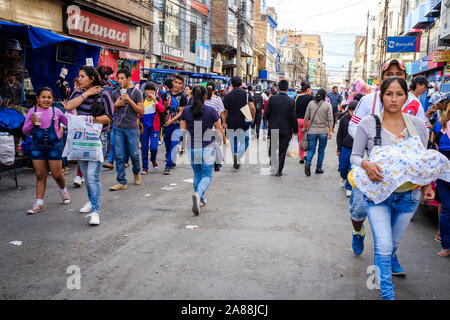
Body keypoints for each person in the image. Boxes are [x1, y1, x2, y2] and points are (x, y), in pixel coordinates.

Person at [351, 77, 435, 300]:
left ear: (406, 97)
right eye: (389, 94)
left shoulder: (418, 126)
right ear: (382, 96)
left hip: (407, 198)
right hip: (378, 196)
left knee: (393, 245)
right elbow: (355, 156)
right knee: (384, 246)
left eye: (399, 94)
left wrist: (426, 185)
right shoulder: (368, 124)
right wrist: (366, 163)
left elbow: (422, 161)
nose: (394, 99)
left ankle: (385, 267)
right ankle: (387, 294)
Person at [347, 58, 429, 256]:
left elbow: (423, 134)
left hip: (400, 175)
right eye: (389, 74)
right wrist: (370, 147)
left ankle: (389, 256)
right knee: (358, 210)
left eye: (398, 74)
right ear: (382, 79)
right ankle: (358, 231)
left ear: (405, 79)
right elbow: (353, 126)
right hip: (369, 167)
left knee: (392, 221)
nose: (393, 77)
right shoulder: (368, 101)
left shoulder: (414, 104)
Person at [65, 65, 114, 226]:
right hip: (80, 140)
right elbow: (69, 107)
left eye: (82, 76)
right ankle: (91, 200)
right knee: (86, 176)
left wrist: (91, 120)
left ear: (92, 78)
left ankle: (95, 210)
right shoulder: (78, 93)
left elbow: (109, 117)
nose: (79, 79)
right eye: (78, 76)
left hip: (98, 138)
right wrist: (86, 94)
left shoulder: (104, 93)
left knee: (92, 176)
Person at [22, 87, 71, 214]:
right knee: (40, 175)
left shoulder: (57, 111)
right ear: (38, 98)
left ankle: (63, 190)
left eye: (49, 97)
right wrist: (31, 123)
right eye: (43, 97)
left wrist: (64, 121)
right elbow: (24, 131)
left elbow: (69, 123)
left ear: (52, 99)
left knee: (56, 174)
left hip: (54, 146)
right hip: (37, 147)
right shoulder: (32, 111)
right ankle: (39, 204)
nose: (46, 100)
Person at [180, 86, 227, 215]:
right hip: (207, 147)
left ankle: (201, 199)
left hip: (192, 147)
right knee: (206, 176)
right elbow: (219, 129)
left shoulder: (186, 110)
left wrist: (182, 146)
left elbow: (183, 131)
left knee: (197, 174)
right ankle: (199, 194)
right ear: (205, 96)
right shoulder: (211, 111)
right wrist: (224, 140)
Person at [109, 68, 145, 191]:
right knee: (119, 156)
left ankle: (137, 172)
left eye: (122, 78)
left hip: (132, 127)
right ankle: (121, 181)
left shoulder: (137, 92)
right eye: (118, 78)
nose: (120, 81)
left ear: (129, 79)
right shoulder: (115, 92)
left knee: (134, 155)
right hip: (118, 127)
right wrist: (116, 105)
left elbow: (141, 111)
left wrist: (129, 100)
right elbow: (110, 112)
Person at [264, 79, 299, 177]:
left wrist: (270, 121)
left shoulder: (272, 99)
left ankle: (273, 164)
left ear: (278, 88)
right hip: (286, 129)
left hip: (274, 128)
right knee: (283, 150)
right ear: (287, 89)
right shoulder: (290, 101)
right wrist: (295, 130)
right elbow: (293, 117)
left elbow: (266, 114)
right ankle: (279, 170)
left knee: (273, 146)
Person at [223, 76, 256, 169]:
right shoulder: (246, 94)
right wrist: (252, 118)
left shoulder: (227, 95)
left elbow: (225, 111)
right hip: (244, 122)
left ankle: (235, 159)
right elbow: (252, 107)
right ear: (241, 84)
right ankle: (238, 155)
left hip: (231, 123)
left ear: (232, 84)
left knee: (234, 142)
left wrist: (225, 122)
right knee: (245, 141)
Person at [431, 100, 450, 257]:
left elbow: (433, 141)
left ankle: (445, 245)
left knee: (445, 207)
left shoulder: (440, 122)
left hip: (442, 166)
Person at [302, 89, 334, 176]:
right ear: (324, 96)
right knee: (321, 151)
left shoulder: (311, 104)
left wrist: (304, 127)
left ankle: (308, 163)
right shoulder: (328, 105)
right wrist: (331, 131)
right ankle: (318, 168)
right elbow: (330, 119)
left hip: (311, 131)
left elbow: (306, 117)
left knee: (311, 149)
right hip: (323, 131)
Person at [161, 75, 188, 175]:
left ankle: (168, 167)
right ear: (172, 82)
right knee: (167, 145)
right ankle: (170, 159)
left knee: (173, 145)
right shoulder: (165, 94)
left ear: (182, 86)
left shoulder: (183, 97)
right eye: (175, 82)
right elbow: (163, 108)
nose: (177, 85)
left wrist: (171, 120)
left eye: (179, 83)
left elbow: (181, 112)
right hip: (166, 124)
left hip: (177, 124)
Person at [141, 82, 165, 174]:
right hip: (144, 127)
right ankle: (145, 167)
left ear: (155, 91)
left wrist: (155, 100)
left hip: (155, 127)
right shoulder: (142, 99)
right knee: (144, 147)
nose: (150, 92)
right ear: (145, 90)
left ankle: (153, 159)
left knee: (154, 147)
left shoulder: (158, 99)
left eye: (152, 90)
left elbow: (162, 109)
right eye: (148, 89)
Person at [337, 101, 358, 198]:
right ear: (348, 110)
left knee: (352, 168)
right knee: (343, 167)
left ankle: (349, 188)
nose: (352, 112)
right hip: (345, 147)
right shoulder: (344, 119)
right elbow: (339, 135)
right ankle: (344, 178)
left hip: (356, 149)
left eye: (354, 110)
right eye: (351, 110)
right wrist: (338, 148)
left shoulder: (362, 120)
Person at [295, 82, 314, 164]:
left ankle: (301, 158)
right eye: (310, 90)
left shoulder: (296, 97)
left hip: (298, 121)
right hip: (308, 121)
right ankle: (307, 155)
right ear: (308, 90)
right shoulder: (310, 97)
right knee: (309, 139)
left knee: (300, 140)